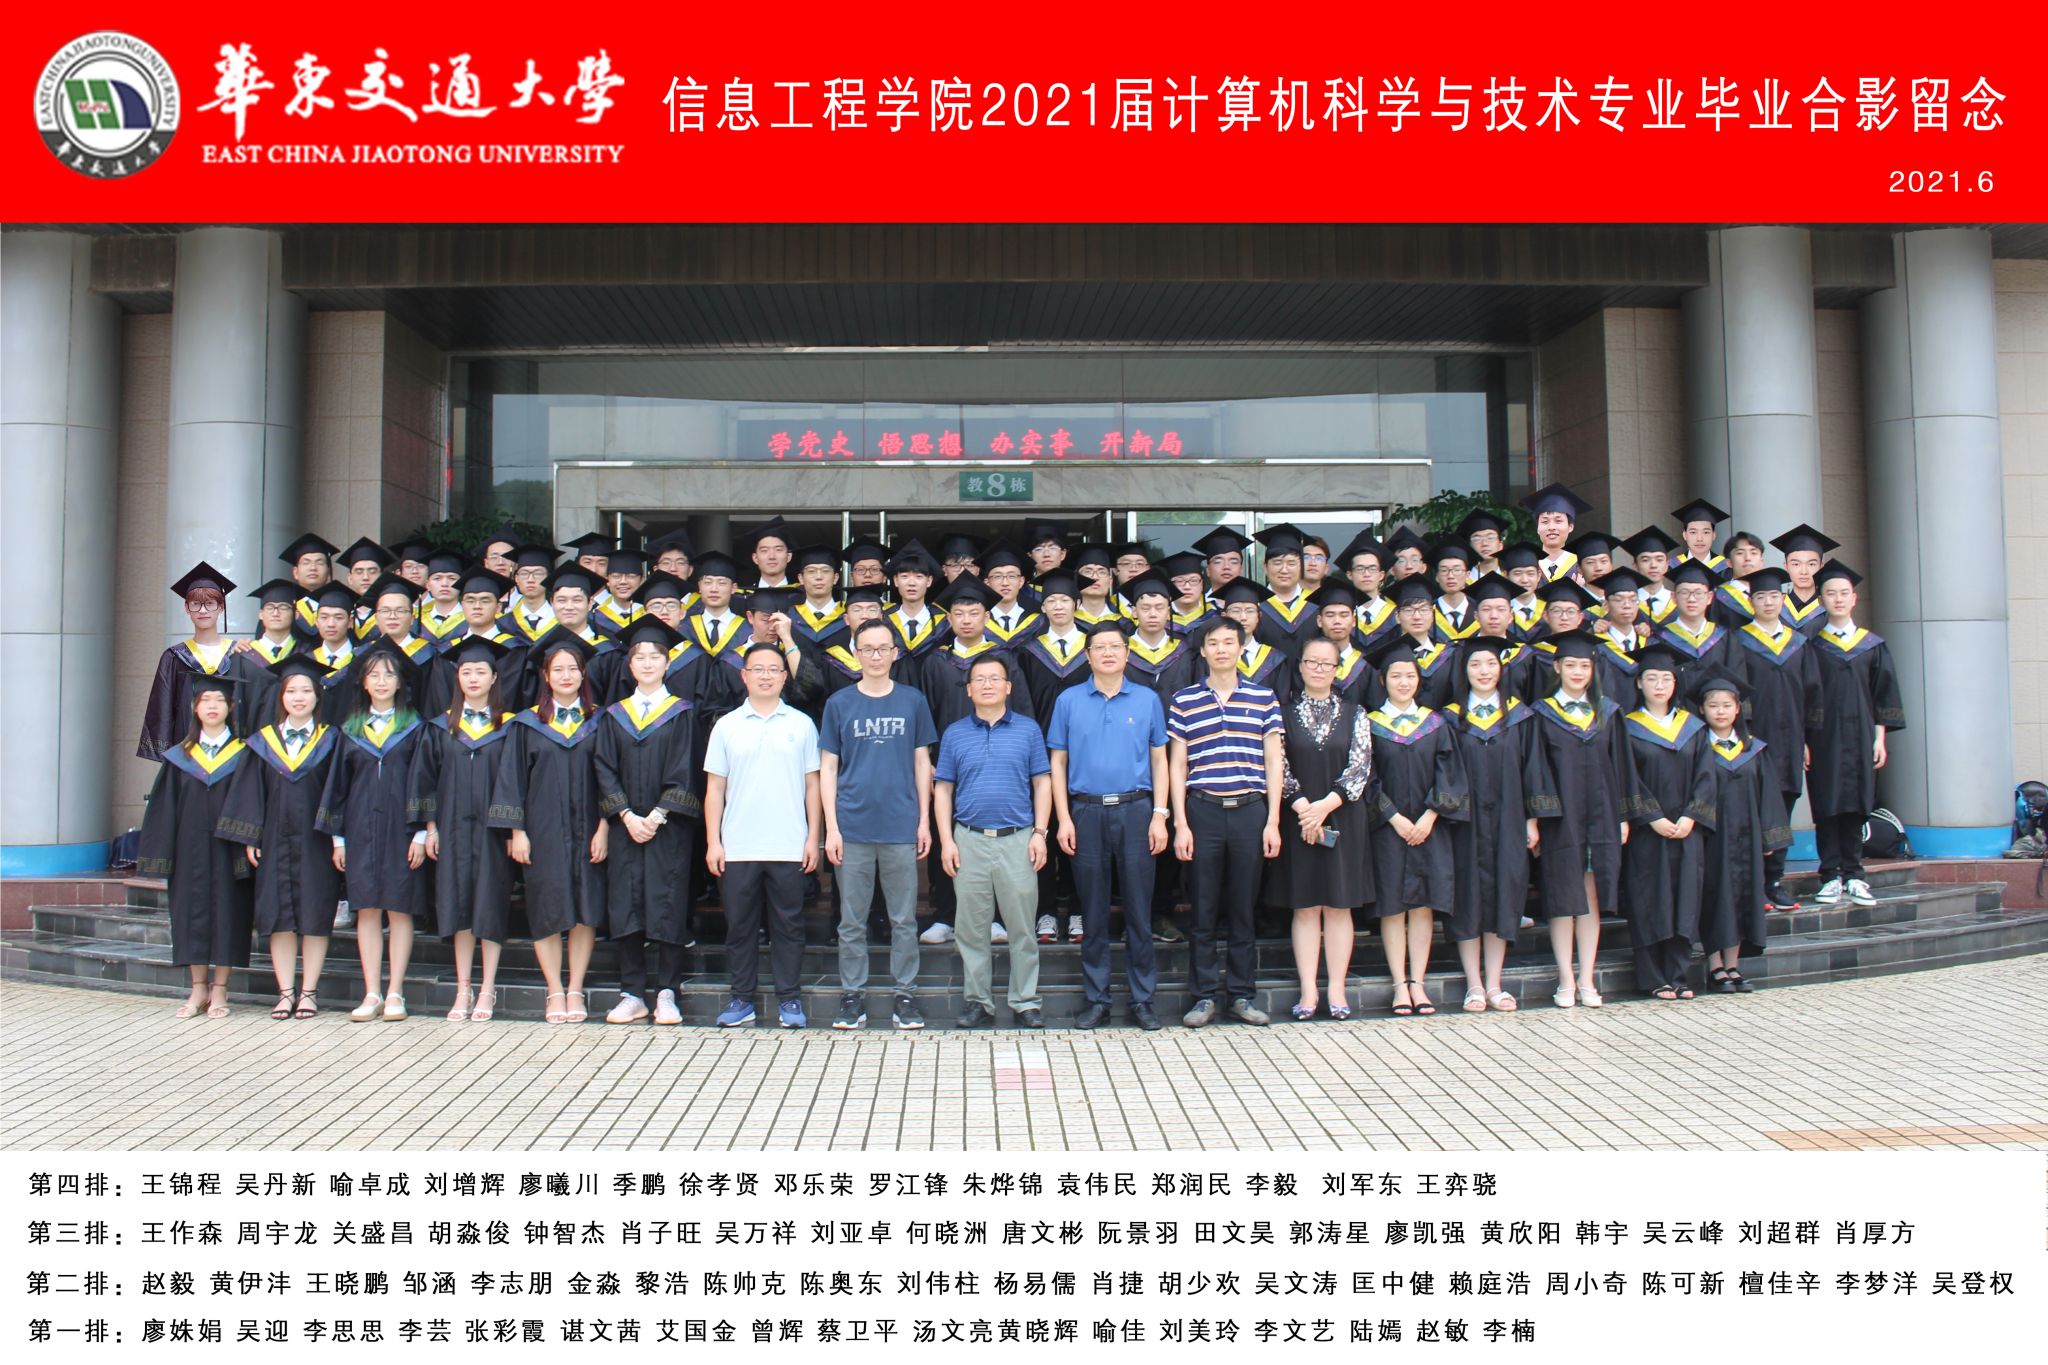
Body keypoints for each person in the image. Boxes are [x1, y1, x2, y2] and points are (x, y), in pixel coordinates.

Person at [1049, 620, 1171, 1030]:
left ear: (1127, 653)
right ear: (1087, 656)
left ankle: (1142, 1000)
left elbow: (1160, 759)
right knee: (1093, 911)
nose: (1107, 653)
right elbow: (1058, 762)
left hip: (1136, 811)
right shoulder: (1068, 700)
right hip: (1085, 812)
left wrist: (1160, 814)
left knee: (1139, 910)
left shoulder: (1147, 699)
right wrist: (1063, 818)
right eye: (1099, 647)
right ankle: (1097, 999)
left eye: (1115, 647)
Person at [820, 618, 938, 1030]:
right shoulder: (839, 703)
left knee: (904, 919)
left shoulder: (912, 701)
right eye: (867, 648)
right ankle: (852, 996)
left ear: (895, 653)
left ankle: (905, 995)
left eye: (882, 648)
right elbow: (828, 767)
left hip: (900, 825)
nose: (875, 656)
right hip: (852, 826)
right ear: (856, 653)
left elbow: (922, 763)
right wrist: (831, 828)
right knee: (851, 921)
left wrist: (924, 821)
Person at [1168, 616, 1282, 1028]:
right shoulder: (1184, 700)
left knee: (1243, 908)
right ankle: (1202, 997)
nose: (1221, 649)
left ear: (1241, 648)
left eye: (1228, 642)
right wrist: (1181, 823)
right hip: (1203, 810)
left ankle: (1241, 994)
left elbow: (1274, 760)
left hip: (1251, 810)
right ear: (1202, 651)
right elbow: (1177, 764)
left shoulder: (1263, 698)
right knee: (1203, 907)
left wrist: (1273, 820)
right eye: (1213, 643)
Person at [490, 630, 609, 1025]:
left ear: (583, 673)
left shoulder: (601, 720)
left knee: (585, 909)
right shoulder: (527, 724)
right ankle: (554, 989)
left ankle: (575, 988)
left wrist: (605, 827)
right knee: (546, 907)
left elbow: (610, 777)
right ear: (545, 675)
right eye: (558, 669)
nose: (566, 675)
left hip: (588, 828)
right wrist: (517, 831)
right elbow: (511, 780)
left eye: (572, 669)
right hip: (542, 831)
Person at [704, 641, 823, 1028]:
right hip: (738, 846)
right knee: (740, 927)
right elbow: (715, 789)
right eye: (758, 669)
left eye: (774, 669)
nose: (766, 676)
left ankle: (790, 1000)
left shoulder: (801, 724)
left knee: (789, 926)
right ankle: (741, 998)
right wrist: (714, 842)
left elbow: (813, 786)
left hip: (789, 844)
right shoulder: (727, 725)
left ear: (785, 677)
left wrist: (813, 838)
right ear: (744, 676)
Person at [218, 654, 342, 1021]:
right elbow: (251, 793)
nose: (299, 698)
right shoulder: (262, 743)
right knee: (278, 916)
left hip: (317, 841)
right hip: (274, 841)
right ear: (281, 696)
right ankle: (285, 993)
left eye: (306, 691)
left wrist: (339, 839)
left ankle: (309, 993)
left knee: (315, 915)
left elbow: (339, 792)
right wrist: (250, 837)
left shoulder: (332, 740)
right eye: (291, 691)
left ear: (318, 696)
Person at [934, 654, 1051, 1028]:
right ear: (969, 690)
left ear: (1008, 687)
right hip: (969, 839)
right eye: (980, 679)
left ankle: (1025, 1001)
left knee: (1022, 928)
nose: (987, 685)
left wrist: (1040, 833)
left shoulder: (1028, 730)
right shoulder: (954, 734)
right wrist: (947, 841)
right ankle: (977, 1001)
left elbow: (1042, 782)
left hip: (1018, 839)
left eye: (995, 678)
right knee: (971, 929)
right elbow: (943, 789)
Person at [594, 617, 701, 1026]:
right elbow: (604, 767)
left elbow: (685, 768)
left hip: (668, 827)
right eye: (640, 657)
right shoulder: (614, 716)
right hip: (625, 827)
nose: (648, 663)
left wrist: (655, 817)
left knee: (667, 902)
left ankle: (667, 992)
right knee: (626, 905)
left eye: (655, 656)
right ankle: (632, 993)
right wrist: (625, 814)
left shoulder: (681, 714)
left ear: (668, 663)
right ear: (630, 665)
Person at [318, 638, 431, 1022]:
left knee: (399, 909)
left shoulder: (415, 728)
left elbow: (424, 782)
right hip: (360, 830)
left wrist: (420, 833)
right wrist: (338, 839)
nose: (382, 681)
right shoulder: (349, 730)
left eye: (389, 675)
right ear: (363, 683)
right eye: (374, 675)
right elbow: (337, 788)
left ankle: (396, 991)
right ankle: (372, 992)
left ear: (400, 682)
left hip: (402, 831)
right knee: (366, 909)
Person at [409, 634, 515, 1023]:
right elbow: (425, 780)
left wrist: (511, 829)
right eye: (466, 671)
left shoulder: (510, 726)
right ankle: (463, 988)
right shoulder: (440, 727)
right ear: (457, 677)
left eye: (480, 672)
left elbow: (514, 782)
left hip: (493, 832)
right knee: (458, 907)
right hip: (451, 830)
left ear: (494, 677)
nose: (473, 678)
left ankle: (487, 989)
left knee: (489, 905)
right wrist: (430, 828)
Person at [137, 674, 255, 1020]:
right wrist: (163, 854)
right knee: (191, 915)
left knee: (229, 913)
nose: (212, 706)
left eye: (219, 700)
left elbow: (253, 801)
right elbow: (165, 810)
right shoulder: (179, 758)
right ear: (194, 707)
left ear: (231, 706)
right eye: (206, 700)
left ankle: (221, 988)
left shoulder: (245, 754)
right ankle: (198, 987)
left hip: (229, 849)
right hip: (189, 851)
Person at [1270, 636, 1375, 1021]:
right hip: (1297, 818)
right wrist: (1303, 808)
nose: (1318, 669)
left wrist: (1325, 806)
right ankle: (1308, 991)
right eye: (1311, 662)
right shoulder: (1281, 713)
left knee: (1338, 905)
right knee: (1305, 906)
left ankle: (1337, 990)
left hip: (1342, 816)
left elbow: (1360, 767)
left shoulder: (1355, 713)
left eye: (1326, 663)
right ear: (1300, 667)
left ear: (1337, 669)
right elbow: (1277, 764)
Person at [1529, 630, 1634, 1009]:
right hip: (1560, 819)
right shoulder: (1541, 714)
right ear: (1557, 667)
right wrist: (1536, 818)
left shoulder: (1608, 712)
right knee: (1563, 896)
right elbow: (1536, 770)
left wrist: (1623, 816)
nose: (1577, 672)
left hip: (1601, 817)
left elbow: (1621, 767)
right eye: (1570, 665)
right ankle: (1566, 979)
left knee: (1591, 897)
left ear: (1593, 670)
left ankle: (1587, 978)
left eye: (1584, 666)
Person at [1444, 640, 1550, 1013]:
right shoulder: (1450, 718)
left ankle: (1494, 983)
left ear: (1501, 669)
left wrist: (1532, 819)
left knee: (1504, 895)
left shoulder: (1520, 717)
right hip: (1464, 823)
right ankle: (1473, 984)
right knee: (1468, 897)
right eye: (1476, 664)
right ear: (1464, 670)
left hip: (1509, 820)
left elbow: (1533, 768)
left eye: (1491, 663)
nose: (1484, 671)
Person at [1364, 643, 1470, 1017]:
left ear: (1419, 680)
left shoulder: (1435, 724)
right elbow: (1367, 778)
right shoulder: (1370, 724)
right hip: (1388, 829)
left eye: (1410, 676)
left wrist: (1430, 815)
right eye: (1396, 676)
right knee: (1393, 906)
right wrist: (1393, 817)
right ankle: (1399, 985)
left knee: (1423, 905)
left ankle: (1418, 984)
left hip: (1429, 828)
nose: (1403, 682)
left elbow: (1450, 774)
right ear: (1382, 680)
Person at [1805, 561, 1906, 907]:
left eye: (1843, 593)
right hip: (1823, 738)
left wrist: (1880, 738)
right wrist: (1804, 740)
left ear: (1854, 598)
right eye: (1830, 593)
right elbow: (1805, 696)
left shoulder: (1871, 645)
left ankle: (1854, 874)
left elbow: (1883, 695)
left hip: (1862, 737)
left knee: (1857, 805)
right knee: (1827, 805)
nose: (1837, 599)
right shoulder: (1812, 646)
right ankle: (1830, 876)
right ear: (1821, 599)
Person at [1619, 646, 1715, 1000]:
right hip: (1648, 832)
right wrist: (1652, 817)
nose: (1659, 685)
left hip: (1687, 830)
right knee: (1649, 899)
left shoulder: (1694, 728)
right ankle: (1653, 977)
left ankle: (1679, 975)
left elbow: (1707, 777)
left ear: (1676, 684)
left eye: (1666, 679)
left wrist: (1691, 816)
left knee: (1684, 899)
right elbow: (1626, 778)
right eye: (1652, 678)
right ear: (1639, 683)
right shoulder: (1627, 727)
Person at [1730, 566, 1824, 910]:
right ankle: (1751, 882)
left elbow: (1813, 694)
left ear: (1782, 599)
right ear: (1750, 602)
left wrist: (1807, 740)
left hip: (1790, 741)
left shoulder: (1799, 644)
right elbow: (1735, 692)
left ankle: (1774, 878)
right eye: (1760, 596)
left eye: (1773, 596)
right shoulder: (1738, 641)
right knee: (1750, 809)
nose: (1768, 602)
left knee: (1782, 809)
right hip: (1752, 741)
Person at [1697, 674, 1792, 992]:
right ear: (1702, 709)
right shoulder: (1697, 747)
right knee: (1715, 898)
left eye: (1727, 705)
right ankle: (1715, 966)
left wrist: (1768, 838)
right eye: (1713, 705)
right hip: (1712, 839)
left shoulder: (1754, 749)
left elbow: (1769, 796)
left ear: (1738, 709)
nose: (1720, 711)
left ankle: (1733, 966)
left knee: (1741, 898)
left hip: (1747, 839)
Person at [139, 562, 241, 762]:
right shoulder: (174, 657)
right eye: (195, 604)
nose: (203, 610)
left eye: (210, 603)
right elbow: (162, 710)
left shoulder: (238, 654)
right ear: (187, 608)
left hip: (231, 755)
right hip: (186, 754)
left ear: (221, 607)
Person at [1655, 559, 1738, 702]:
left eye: (1698, 593)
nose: (1691, 599)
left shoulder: (1725, 638)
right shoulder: (1661, 639)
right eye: (1684, 592)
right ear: (1673, 597)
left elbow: (1735, 685)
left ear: (1710, 597)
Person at [1366, 577, 1454, 711]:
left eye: (1424, 610)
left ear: (1432, 614)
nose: (1417, 616)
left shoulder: (1450, 656)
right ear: (1397, 616)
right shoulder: (1382, 657)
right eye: (1409, 610)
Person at [1215, 578, 1296, 704]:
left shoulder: (1275, 659)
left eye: (1250, 611)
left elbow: (1283, 704)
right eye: (1236, 611)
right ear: (1224, 616)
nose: (1243, 617)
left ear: (1259, 616)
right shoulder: (1212, 657)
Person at [1301, 580, 1376, 703]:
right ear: (1319, 621)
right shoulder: (1307, 664)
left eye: (1344, 615)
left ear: (1353, 621)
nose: (1337, 621)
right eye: (1330, 615)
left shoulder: (1367, 666)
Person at [1252, 523, 1318, 658]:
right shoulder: (1254, 606)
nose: (1284, 570)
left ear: (1301, 567)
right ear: (1265, 567)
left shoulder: (1316, 604)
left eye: (1291, 563)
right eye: (1277, 563)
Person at [1337, 533, 1402, 659]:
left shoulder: (1396, 615)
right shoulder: (1340, 614)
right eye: (1360, 569)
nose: (1366, 574)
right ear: (1349, 574)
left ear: (1381, 575)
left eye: (1372, 568)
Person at [1770, 523, 1839, 636]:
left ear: (1821, 567)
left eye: (1811, 564)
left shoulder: (1829, 609)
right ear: (1786, 566)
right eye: (1796, 564)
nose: (1804, 571)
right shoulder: (1775, 607)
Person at [884, 540, 949, 660]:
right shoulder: (883, 621)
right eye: (904, 576)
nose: (911, 583)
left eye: (919, 576)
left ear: (929, 581)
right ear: (896, 580)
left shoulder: (944, 623)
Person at [1518, 483, 1594, 581]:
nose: (1551, 527)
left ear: (1570, 527)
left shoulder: (1581, 568)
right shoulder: (1527, 569)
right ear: (1538, 528)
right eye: (1545, 521)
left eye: (1558, 521)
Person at [786, 545, 848, 653]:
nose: (819, 577)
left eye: (825, 571)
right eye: (811, 571)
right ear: (801, 578)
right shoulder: (789, 617)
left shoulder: (848, 617)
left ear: (835, 578)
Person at [279, 532, 339, 637]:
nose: (313, 568)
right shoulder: (282, 607)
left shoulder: (342, 607)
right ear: (295, 572)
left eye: (319, 562)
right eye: (306, 563)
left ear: (329, 572)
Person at [499, 543, 560, 643]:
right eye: (524, 573)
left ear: (549, 578)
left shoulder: (561, 621)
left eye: (538, 573)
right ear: (516, 579)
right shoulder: (504, 624)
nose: (530, 579)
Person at [334, 537, 394, 640]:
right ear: (350, 578)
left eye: (372, 571)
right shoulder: (341, 613)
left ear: (382, 576)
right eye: (359, 571)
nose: (365, 577)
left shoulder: (393, 614)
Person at [979, 545, 1042, 643]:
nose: (1005, 583)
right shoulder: (978, 622)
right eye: (998, 576)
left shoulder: (1038, 621)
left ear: (1021, 581)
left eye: (1011, 576)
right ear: (987, 583)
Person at [1622, 526, 1681, 627]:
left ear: (1667, 565)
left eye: (1659, 559)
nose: (1653, 565)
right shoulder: (1625, 604)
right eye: (1645, 560)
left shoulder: (1680, 602)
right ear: (1635, 566)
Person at [415, 550, 472, 649]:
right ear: (428, 585)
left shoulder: (472, 620)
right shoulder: (416, 623)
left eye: (452, 578)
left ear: (462, 584)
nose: (444, 584)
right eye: (437, 578)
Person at [1430, 542, 1480, 642]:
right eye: (1444, 570)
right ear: (1437, 577)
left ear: (1467, 575)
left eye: (1457, 570)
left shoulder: (1479, 611)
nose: (1450, 576)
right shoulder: (1428, 612)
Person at [1672, 498, 1732, 579]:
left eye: (1706, 532)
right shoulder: (1672, 566)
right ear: (1684, 535)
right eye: (1693, 532)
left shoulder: (1726, 568)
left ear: (1714, 535)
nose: (1699, 538)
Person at [594, 547, 649, 634]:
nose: (623, 581)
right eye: (616, 576)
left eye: (631, 576)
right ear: (607, 580)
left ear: (642, 580)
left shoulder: (649, 614)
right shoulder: (595, 617)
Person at [1191, 526, 1252, 599]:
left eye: (1233, 562)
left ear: (1241, 569)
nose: (1226, 566)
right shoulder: (1196, 604)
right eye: (1218, 562)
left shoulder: (1254, 605)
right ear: (1208, 570)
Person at [1456, 510, 1508, 580]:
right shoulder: (1460, 583)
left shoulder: (1511, 582)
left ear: (1500, 546)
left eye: (1490, 538)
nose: (1484, 543)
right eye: (1477, 539)